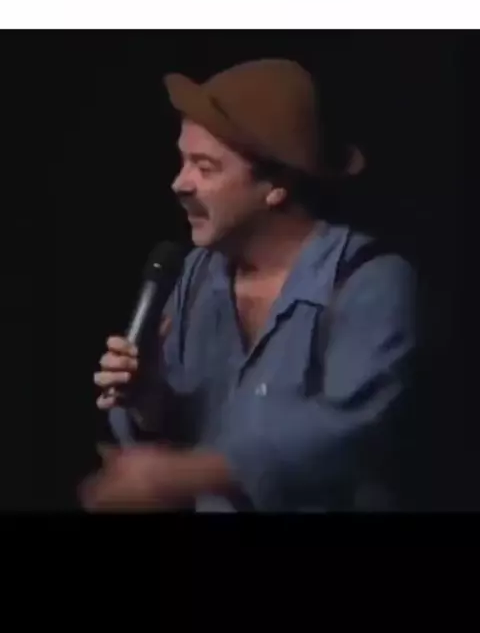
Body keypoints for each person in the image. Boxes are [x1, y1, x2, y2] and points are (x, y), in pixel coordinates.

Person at [81, 58, 419, 512]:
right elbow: (174, 434)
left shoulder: (370, 282)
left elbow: (351, 435)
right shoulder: (195, 276)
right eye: (183, 161)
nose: (179, 183)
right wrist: (148, 399)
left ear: (276, 186)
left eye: (205, 167)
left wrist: (195, 472)